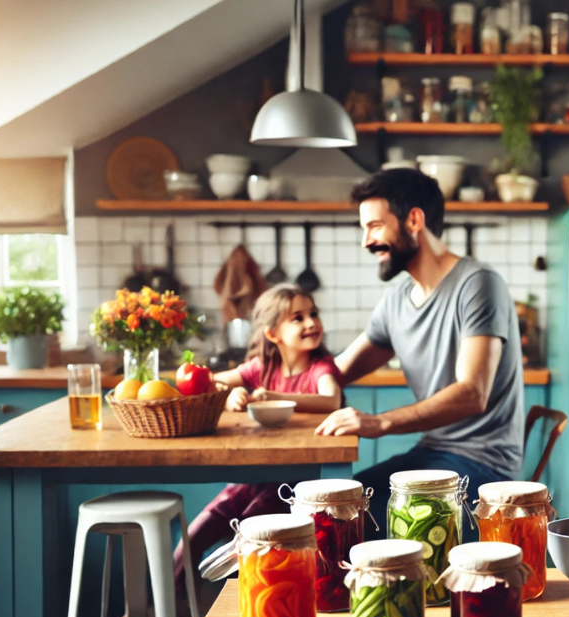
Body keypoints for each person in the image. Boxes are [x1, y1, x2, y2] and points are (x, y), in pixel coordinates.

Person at [315, 168, 524, 539]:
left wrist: (380, 422)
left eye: (375, 226)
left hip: (483, 466)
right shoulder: (397, 300)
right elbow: (335, 371)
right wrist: (256, 383)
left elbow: (472, 393)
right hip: (429, 455)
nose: (367, 241)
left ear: (414, 219)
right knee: (330, 508)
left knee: (347, 524)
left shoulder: (477, 284)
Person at [173, 284, 342, 592]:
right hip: (247, 480)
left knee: (249, 539)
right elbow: (210, 382)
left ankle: (249, 610)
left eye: (313, 314)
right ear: (272, 333)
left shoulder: (321, 367)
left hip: (288, 483)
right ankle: (168, 612)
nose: (311, 322)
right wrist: (230, 394)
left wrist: (276, 396)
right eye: (297, 317)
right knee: (190, 541)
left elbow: (331, 400)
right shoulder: (261, 367)